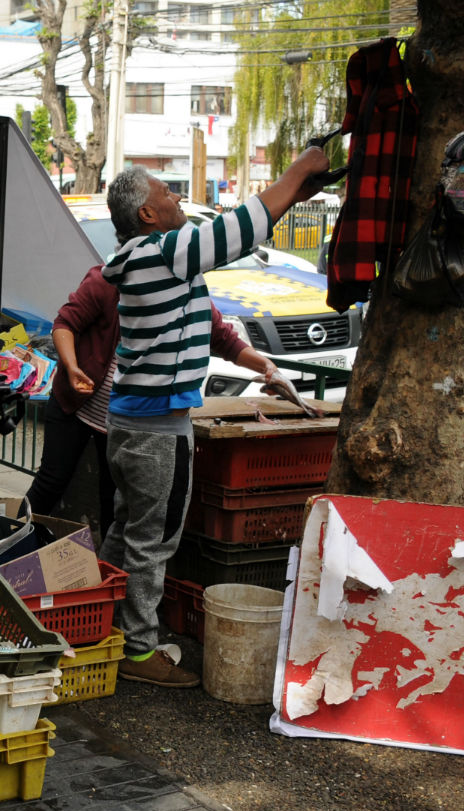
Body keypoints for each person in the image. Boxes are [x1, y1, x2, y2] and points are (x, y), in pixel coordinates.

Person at [98, 153, 328, 688]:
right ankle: (136, 650)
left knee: (124, 532)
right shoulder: (166, 251)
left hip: (128, 423)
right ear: (147, 215)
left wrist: (293, 193)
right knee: (152, 542)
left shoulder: (138, 262)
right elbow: (238, 229)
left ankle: (100, 625)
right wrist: (296, 171)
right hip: (159, 429)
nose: (177, 197)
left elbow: (215, 328)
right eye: (166, 193)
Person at [27, 266, 254, 542]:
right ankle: (8, 545)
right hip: (75, 406)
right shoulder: (107, 281)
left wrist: (267, 368)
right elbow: (65, 324)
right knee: (51, 480)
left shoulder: (189, 293)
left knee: (113, 500)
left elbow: (225, 340)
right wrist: (72, 367)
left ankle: (109, 574)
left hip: (122, 421)